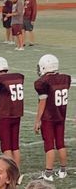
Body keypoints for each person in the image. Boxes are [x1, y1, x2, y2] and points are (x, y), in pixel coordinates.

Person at [34, 54, 71, 182]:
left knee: (49, 145)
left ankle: (48, 173)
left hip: (48, 117)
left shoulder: (42, 82)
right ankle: (63, 171)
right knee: (60, 143)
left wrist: (37, 120)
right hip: (61, 115)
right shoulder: (65, 78)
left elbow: (43, 102)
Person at [0, 57, 24, 170]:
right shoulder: (16, 77)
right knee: (15, 146)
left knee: (6, 146)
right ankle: (17, 172)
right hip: (17, 115)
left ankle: (11, 172)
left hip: (5, 116)